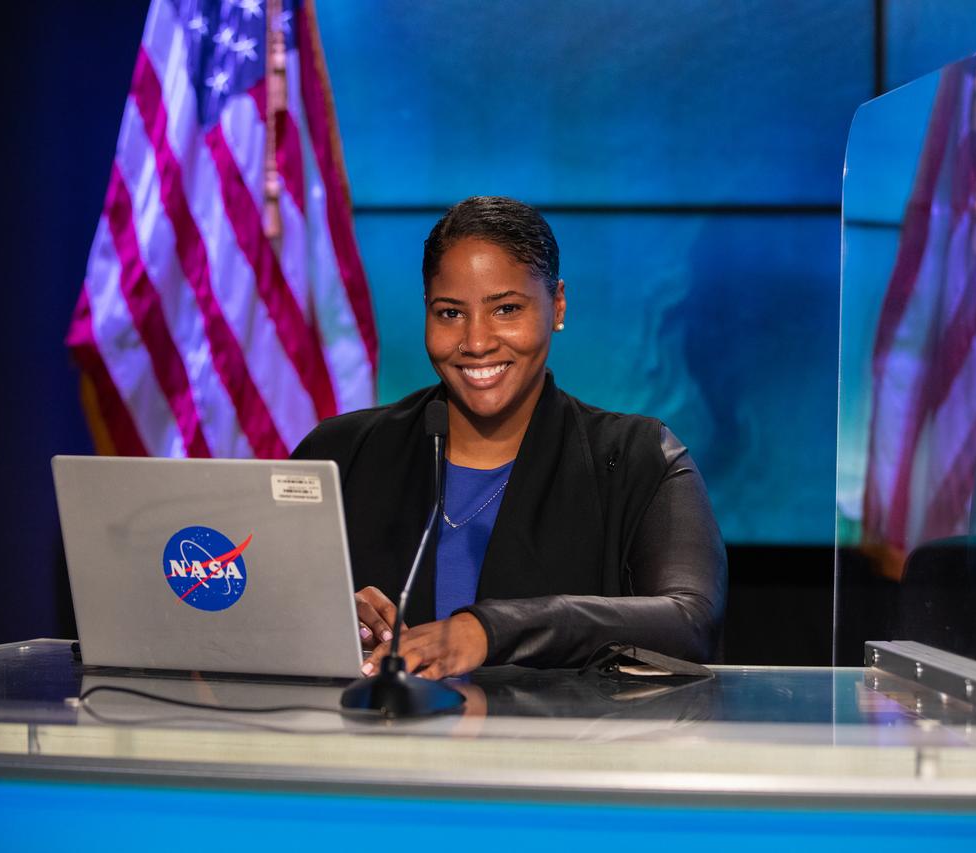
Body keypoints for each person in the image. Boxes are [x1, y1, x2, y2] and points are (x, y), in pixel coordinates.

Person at [292, 196, 726, 679]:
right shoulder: (339, 454)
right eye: (450, 313)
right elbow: (254, 609)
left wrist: (490, 631)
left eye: (506, 309)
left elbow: (691, 621)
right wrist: (322, 615)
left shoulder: (638, 458)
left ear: (557, 305)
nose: (476, 342)